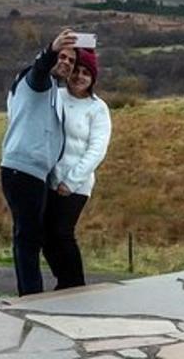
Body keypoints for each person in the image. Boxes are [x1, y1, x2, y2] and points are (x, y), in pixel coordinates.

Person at [0, 28, 76, 296]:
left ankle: (36, 290)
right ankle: (30, 294)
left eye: (71, 61)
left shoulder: (54, 91)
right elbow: (40, 69)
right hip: (22, 169)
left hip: (36, 173)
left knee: (34, 234)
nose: (65, 63)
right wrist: (51, 50)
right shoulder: (36, 82)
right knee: (28, 236)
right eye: (62, 58)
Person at [43, 46, 111, 290]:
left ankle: (75, 284)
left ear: (92, 78)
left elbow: (97, 150)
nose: (80, 76)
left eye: (86, 73)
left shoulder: (97, 108)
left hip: (76, 184)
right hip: (47, 178)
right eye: (77, 70)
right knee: (44, 236)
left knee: (62, 232)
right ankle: (65, 282)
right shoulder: (56, 96)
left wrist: (71, 181)